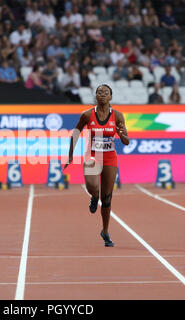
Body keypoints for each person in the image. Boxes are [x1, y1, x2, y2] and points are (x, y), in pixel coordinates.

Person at [64, 84, 130, 247]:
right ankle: (94, 197)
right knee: (93, 187)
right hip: (92, 155)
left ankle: (105, 231)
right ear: (96, 96)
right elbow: (76, 132)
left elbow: (126, 141)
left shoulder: (118, 116)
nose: (102, 95)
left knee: (107, 198)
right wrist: (70, 154)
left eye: (105, 93)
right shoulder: (87, 115)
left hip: (109, 158)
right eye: (99, 92)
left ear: (110, 97)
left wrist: (122, 135)